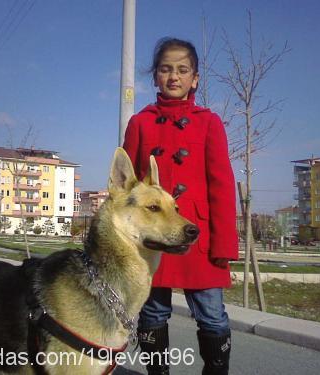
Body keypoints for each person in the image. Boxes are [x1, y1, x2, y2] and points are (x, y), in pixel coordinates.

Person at [123, 37, 238, 375]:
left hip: (197, 237)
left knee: (212, 315)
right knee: (153, 314)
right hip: (154, 235)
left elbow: (222, 186)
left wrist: (224, 243)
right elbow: (128, 187)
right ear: (155, 76)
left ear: (195, 78)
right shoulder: (140, 123)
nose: (174, 76)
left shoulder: (209, 122)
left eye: (182, 70)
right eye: (166, 69)